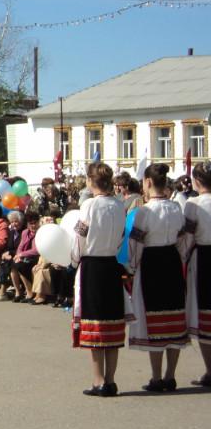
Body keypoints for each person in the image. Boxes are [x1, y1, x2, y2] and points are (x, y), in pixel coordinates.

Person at [128, 163, 189, 391]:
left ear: (148, 182)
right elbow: (183, 240)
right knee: (174, 315)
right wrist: (181, 259)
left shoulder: (144, 211)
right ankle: (170, 375)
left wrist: (132, 267)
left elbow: (135, 244)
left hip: (152, 263)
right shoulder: (175, 208)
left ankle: (156, 377)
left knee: (153, 316)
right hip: (172, 262)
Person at [71, 162, 127, 397]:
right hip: (111, 265)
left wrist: (73, 260)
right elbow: (121, 236)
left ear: (91, 181)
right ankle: (111, 380)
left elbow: (79, 238)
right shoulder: (118, 205)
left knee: (94, 324)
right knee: (112, 323)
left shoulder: (89, 206)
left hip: (93, 266)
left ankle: (98, 380)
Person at [184, 161, 211, 388]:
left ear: (197, 181)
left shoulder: (193, 205)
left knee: (205, 315)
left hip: (204, 258)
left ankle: (210, 370)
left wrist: (182, 257)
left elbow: (187, 238)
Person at [10, 211, 41, 302]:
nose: (33, 226)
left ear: (38, 223)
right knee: (14, 265)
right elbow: (20, 246)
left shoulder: (40, 232)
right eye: (30, 224)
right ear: (27, 224)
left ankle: (30, 292)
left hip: (37, 257)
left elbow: (36, 250)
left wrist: (21, 255)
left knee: (19, 265)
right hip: (26, 257)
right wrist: (18, 255)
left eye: (35, 223)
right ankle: (18, 292)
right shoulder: (25, 232)